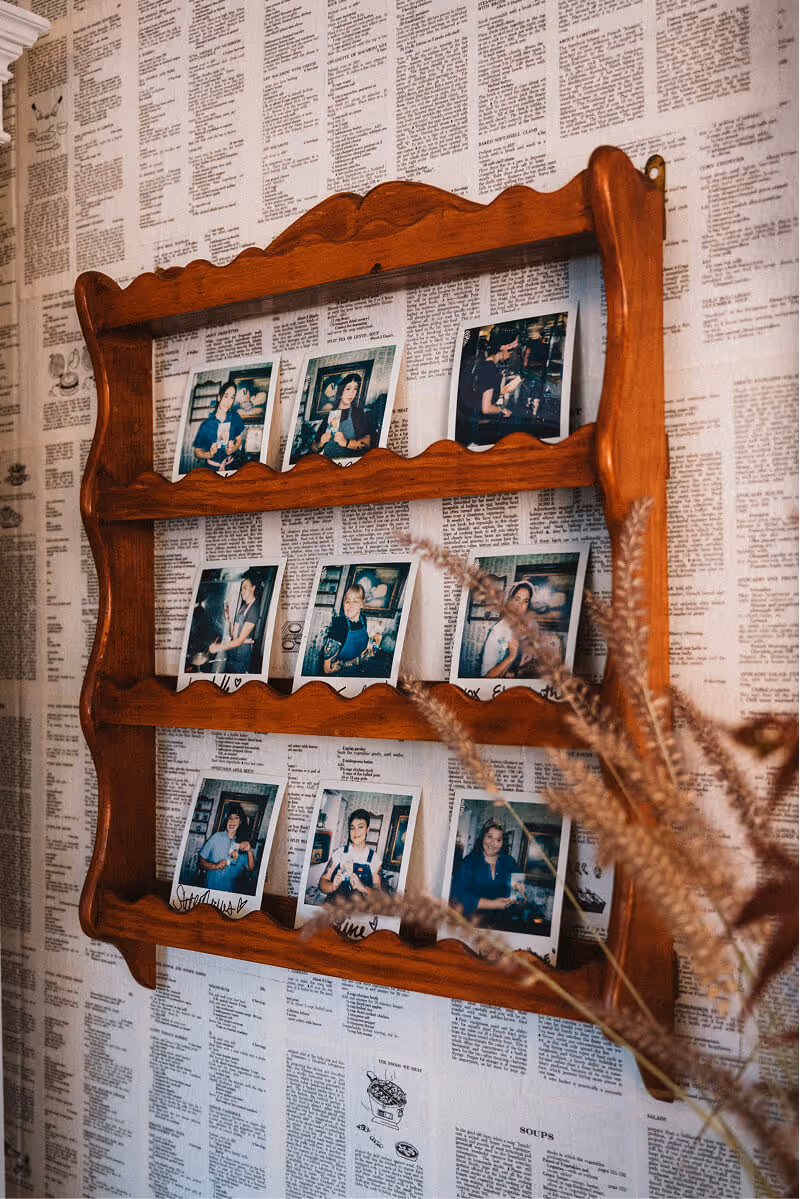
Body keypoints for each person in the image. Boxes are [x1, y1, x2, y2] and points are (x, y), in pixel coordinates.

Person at [456, 326, 522, 445]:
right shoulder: (490, 369)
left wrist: (502, 390)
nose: (513, 354)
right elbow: (486, 409)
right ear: (503, 347)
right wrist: (504, 410)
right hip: (475, 427)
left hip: (465, 421)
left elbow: (480, 389)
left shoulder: (481, 359)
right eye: (512, 350)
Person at [449, 819, 519, 922]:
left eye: (498, 839)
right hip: (472, 922)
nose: (492, 843)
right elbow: (456, 896)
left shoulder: (510, 862)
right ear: (483, 837)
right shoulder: (468, 862)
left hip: (501, 923)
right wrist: (493, 904)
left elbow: (518, 892)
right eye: (489, 837)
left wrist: (517, 896)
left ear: (502, 843)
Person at [318, 808, 382, 900]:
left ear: (367, 830)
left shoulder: (375, 859)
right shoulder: (339, 853)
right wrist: (333, 886)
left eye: (360, 827)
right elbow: (322, 883)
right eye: (352, 828)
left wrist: (363, 888)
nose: (356, 832)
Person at [478, 580, 536, 678]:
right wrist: (511, 657)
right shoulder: (496, 632)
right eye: (517, 599)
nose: (520, 605)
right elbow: (486, 678)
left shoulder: (530, 625)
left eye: (525, 601)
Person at [321, 584, 380, 676]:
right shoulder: (340, 625)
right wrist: (357, 661)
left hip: (359, 673)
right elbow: (327, 669)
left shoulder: (363, 619)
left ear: (362, 603)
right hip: (340, 678)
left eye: (355, 601)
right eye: (347, 601)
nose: (350, 606)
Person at [198, 804, 256, 892]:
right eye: (230, 817)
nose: (232, 821)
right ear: (227, 820)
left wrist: (249, 851)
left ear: (240, 822)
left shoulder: (241, 843)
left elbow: (250, 869)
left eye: (236, 817)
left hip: (230, 891)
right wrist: (215, 866)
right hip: (210, 889)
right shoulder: (216, 837)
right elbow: (201, 861)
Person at [312, 373, 371, 458]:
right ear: (340, 390)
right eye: (348, 389)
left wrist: (346, 442)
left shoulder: (358, 414)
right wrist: (320, 444)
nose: (352, 393)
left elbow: (368, 443)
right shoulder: (330, 416)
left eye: (355, 389)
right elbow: (314, 448)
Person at [209, 575, 260, 674]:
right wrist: (230, 621)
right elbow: (233, 635)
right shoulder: (243, 607)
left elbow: (239, 641)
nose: (242, 591)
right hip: (233, 651)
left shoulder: (253, 610)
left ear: (253, 588)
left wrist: (218, 647)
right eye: (241, 589)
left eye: (245, 588)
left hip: (242, 655)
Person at [192, 381, 246, 472]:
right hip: (212, 469)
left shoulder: (235, 417)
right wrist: (209, 454)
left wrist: (233, 448)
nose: (228, 401)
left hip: (230, 466)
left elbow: (239, 439)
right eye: (226, 396)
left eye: (232, 397)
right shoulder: (206, 425)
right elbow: (197, 452)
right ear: (219, 397)